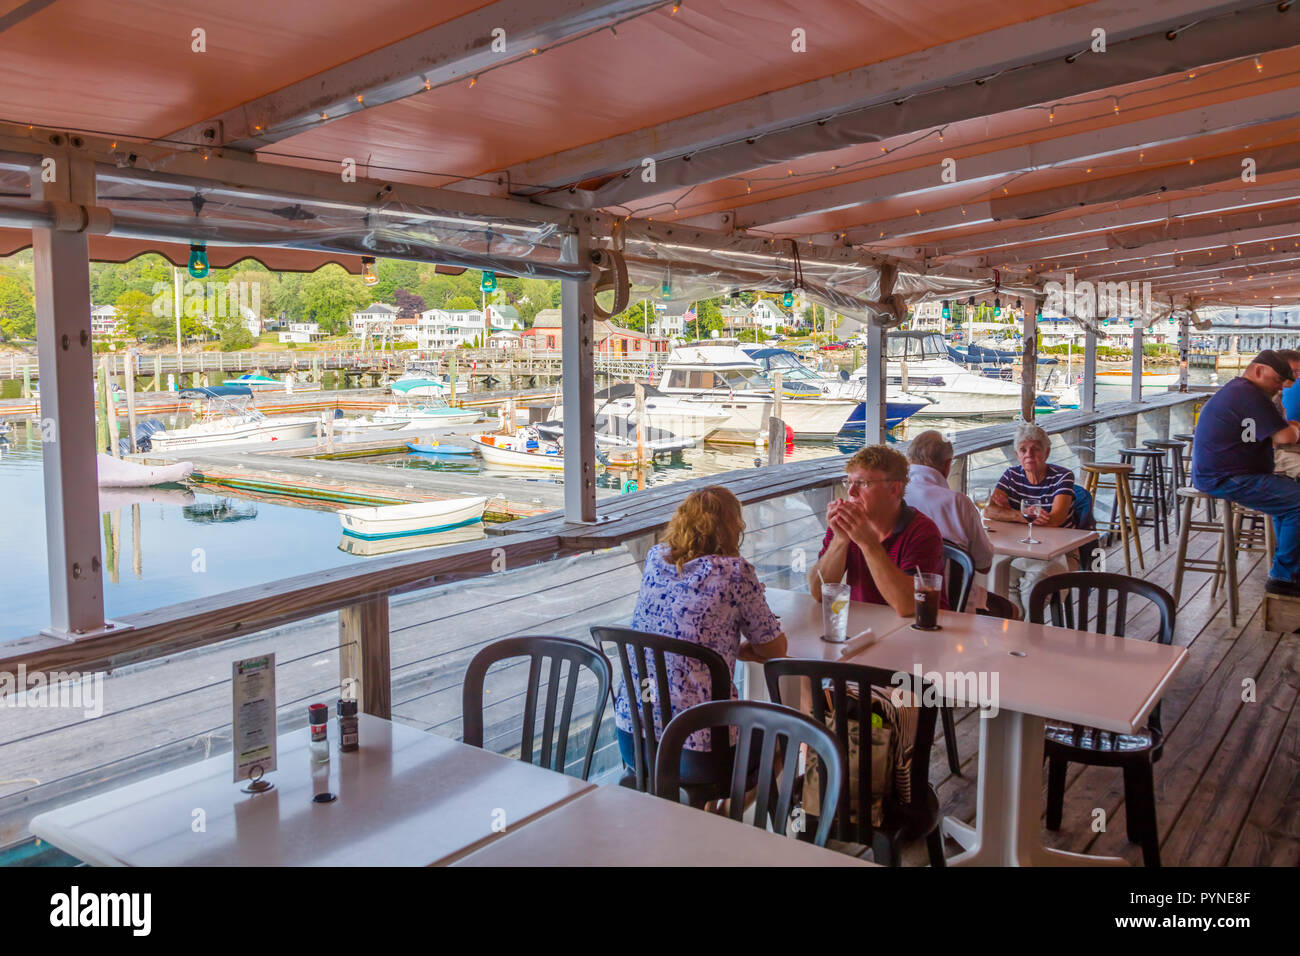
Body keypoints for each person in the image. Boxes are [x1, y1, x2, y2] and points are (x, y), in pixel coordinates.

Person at [614, 486, 788, 776]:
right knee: (786, 740)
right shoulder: (735, 572)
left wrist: (728, 649)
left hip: (634, 738)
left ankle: (703, 812)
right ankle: (720, 816)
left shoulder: (656, 558)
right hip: (699, 748)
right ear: (733, 528)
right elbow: (775, 649)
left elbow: (676, 628)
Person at [1191, 349, 1300, 596]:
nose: (1280, 388)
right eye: (1277, 381)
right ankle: (1284, 576)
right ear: (1259, 371)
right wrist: (1292, 429)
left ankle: (1290, 571)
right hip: (1225, 476)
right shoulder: (1249, 395)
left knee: (1290, 501)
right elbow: (1284, 436)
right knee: (1297, 501)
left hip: (1229, 472)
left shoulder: (1242, 391)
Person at [808, 444, 946, 616]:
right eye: (849, 482)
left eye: (862, 483)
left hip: (919, 632)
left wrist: (868, 543)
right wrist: (840, 539)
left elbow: (909, 606)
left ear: (894, 489)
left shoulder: (923, 532)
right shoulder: (847, 525)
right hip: (864, 628)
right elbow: (818, 592)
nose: (851, 492)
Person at [983, 421, 1078, 612]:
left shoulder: (1062, 476)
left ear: (1047, 453)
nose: (1029, 454)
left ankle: (1029, 632)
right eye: (1023, 449)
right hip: (1022, 550)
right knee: (1001, 576)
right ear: (1017, 455)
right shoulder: (1011, 475)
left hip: (1061, 553)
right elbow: (990, 511)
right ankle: (1015, 628)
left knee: (1033, 585)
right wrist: (1022, 515)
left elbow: (1056, 519)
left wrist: (1009, 513)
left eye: (1035, 449)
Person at [904, 430, 995, 610]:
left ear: (909, 460)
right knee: (1010, 610)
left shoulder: (893, 496)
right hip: (951, 604)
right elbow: (984, 565)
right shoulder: (957, 502)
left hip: (898, 599)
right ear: (947, 465)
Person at [1272, 350, 1300, 479]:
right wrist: (1292, 429)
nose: (1295, 377)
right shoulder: (1261, 397)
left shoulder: (1277, 396)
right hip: (1266, 456)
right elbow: (1283, 438)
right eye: (1293, 371)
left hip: (1278, 450)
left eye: (1298, 372)